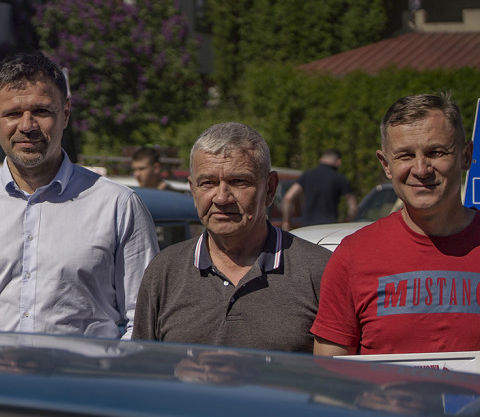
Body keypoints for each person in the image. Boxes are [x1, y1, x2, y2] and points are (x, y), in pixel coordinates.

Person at [0, 52, 159, 339]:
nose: (26, 126)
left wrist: (98, 379)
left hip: (81, 382)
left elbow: (142, 319)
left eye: (41, 111)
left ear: (65, 113)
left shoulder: (117, 205)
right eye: (13, 114)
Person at [132, 122, 331, 353]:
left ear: (269, 189)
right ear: (193, 190)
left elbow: (335, 381)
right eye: (208, 183)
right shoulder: (164, 272)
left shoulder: (320, 272)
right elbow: (144, 374)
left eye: (238, 182)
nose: (222, 197)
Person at [312, 93, 480, 356]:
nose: (421, 169)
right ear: (386, 165)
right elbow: (329, 379)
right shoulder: (353, 255)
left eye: (436, 152)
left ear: (466, 156)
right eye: (405, 156)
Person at [282, 149, 358, 229]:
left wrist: (286, 221)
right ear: (339, 162)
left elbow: (288, 198)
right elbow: (353, 207)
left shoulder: (307, 175)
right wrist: (346, 221)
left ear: (321, 159)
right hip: (329, 228)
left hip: (307, 227)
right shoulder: (340, 178)